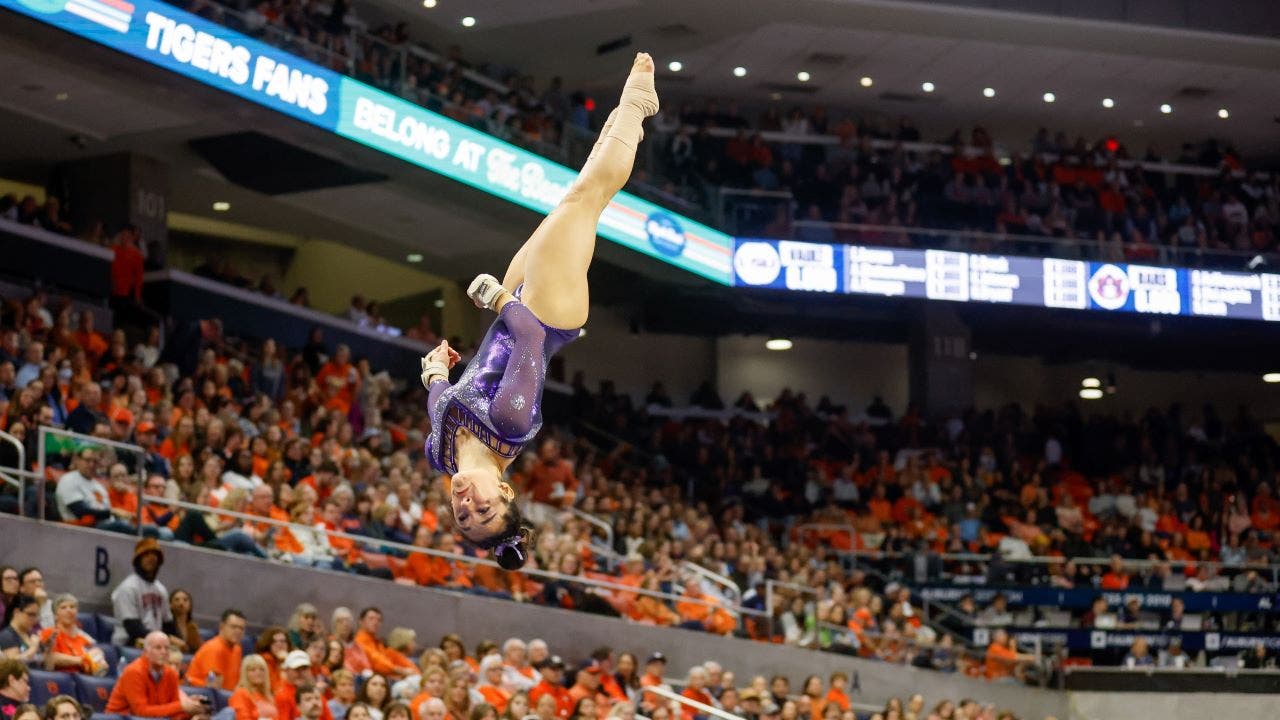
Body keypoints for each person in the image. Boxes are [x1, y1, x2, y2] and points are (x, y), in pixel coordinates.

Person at [421, 53, 660, 567]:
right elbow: (529, 340)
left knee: (571, 199)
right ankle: (636, 107)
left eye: (463, 517)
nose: (467, 505)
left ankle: (629, 119)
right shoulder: (509, 421)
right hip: (548, 316)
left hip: (514, 307)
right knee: (585, 200)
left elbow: (440, 400)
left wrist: (435, 371)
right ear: (505, 494)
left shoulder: (439, 454)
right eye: (482, 511)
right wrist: (497, 298)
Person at [106, 631, 210, 720]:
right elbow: (141, 712)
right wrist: (182, 706)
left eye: (167, 648)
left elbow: (173, 713)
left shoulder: (171, 674)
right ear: (146, 652)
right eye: (158, 648)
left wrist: (192, 710)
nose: (164, 652)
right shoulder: (134, 671)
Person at [111, 538, 179, 647]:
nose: (151, 558)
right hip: (128, 644)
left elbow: (168, 624)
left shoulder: (161, 589)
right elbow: (133, 627)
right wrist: (165, 640)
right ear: (138, 560)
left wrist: (177, 641)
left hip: (155, 645)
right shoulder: (128, 588)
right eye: (146, 555)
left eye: (154, 555)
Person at [38, 594, 107, 675]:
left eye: (72, 607)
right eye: (63, 607)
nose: (69, 610)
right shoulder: (49, 633)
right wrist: (82, 660)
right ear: (55, 615)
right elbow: (50, 657)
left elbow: (97, 664)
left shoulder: (85, 639)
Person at [186, 609, 246, 689]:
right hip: (202, 694)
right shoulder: (213, 648)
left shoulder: (237, 649)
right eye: (233, 627)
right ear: (222, 626)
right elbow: (214, 687)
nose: (238, 631)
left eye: (241, 628)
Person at [229, 654, 278, 720]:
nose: (258, 673)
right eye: (253, 670)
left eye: (262, 669)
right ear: (245, 674)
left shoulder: (269, 696)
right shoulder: (240, 694)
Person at [0, 594, 41, 663]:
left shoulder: (32, 635)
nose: (34, 619)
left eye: (36, 615)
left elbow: (49, 666)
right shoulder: (7, 635)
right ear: (16, 612)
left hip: (40, 672)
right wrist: (34, 647)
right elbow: (13, 663)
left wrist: (49, 649)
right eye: (30, 614)